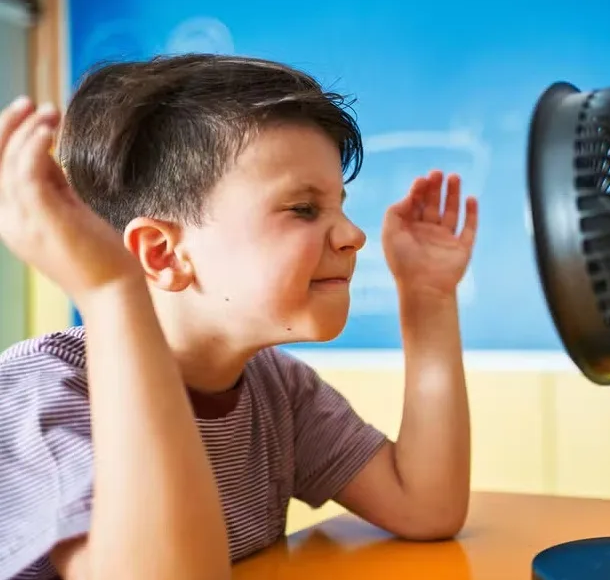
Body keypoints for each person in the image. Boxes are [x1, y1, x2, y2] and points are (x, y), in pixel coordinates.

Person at [0, 54, 478, 580]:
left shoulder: (275, 387)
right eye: (303, 209)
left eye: (340, 204)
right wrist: (113, 292)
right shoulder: (47, 392)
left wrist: (428, 298)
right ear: (161, 255)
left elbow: (423, 505)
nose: (353, 235)